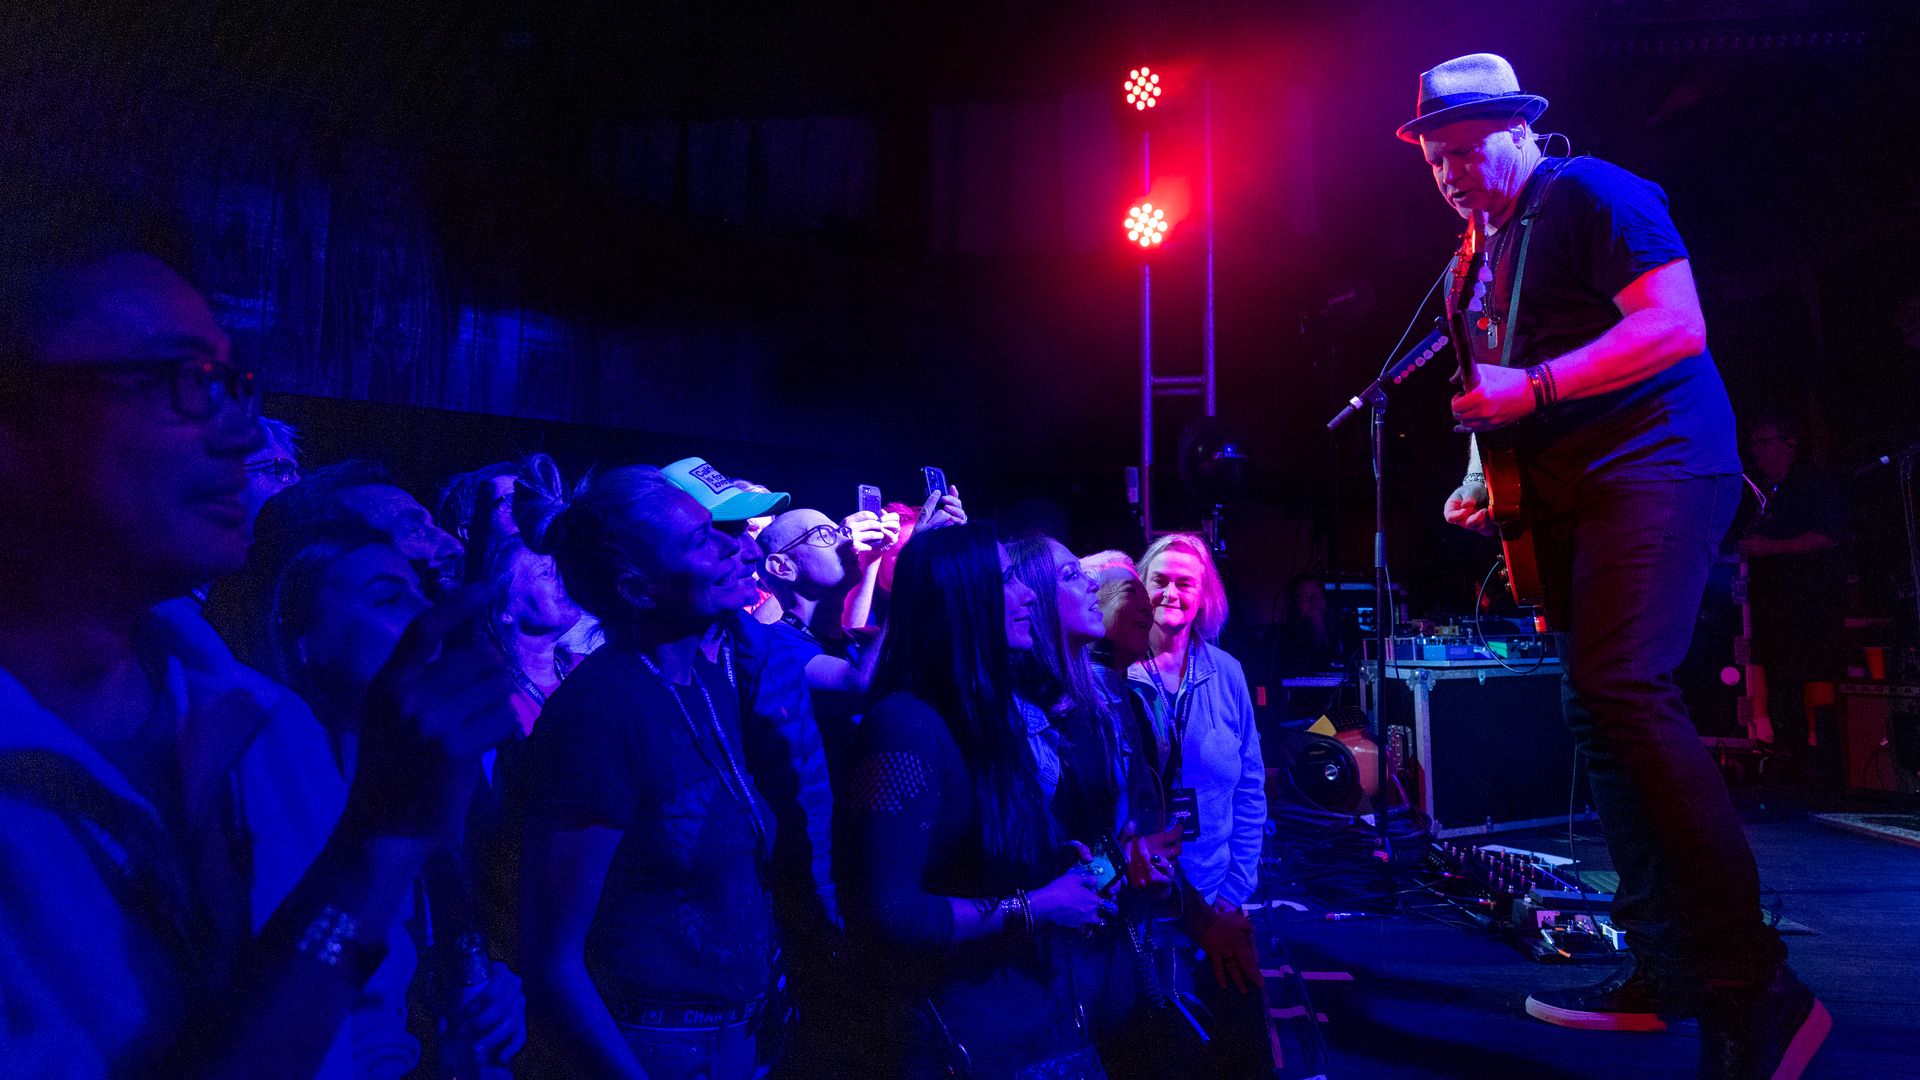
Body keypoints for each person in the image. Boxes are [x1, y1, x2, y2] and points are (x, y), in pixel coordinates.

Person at [0, 246, 518, 1076]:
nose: (243, 434)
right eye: (183, 380)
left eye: (236, 384)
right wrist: (374, 843)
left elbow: (355, 1034)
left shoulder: (261, 727)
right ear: (17, 425)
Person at [1409, 52, 1827, 1075]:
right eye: (1434, 158)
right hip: (1573, 496)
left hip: (1663, 465)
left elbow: (1676, 327)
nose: (1454, 172)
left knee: (1622, 688)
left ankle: (1756, 984)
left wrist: (1538, 392)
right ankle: (1665, 963)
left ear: (1521, 130)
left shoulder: (1593, 193)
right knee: (1595, 709)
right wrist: (1481, 478)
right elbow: (1491, 387)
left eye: (1468, 149)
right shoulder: (1473, 259)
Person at [516, 466, 779, 1079]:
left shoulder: (707, 683)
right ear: (637, 589)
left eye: (715, 529)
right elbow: (551, 959)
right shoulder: (600, 709)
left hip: (737, 1040)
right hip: (648, 1050)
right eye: (698, 541)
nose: (732, 546)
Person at [835, 523, 1109, 1079]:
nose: (1030, 594)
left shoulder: (993, 715)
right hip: (956, 1038)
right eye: (1009, 580)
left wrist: (1057, 867)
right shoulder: (904, 726)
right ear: (963, 599)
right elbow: (885, 913)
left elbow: (976, 865)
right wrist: (1039, 905)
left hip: (1027, 1022)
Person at [265, 519, 530, 1078]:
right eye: (388, 596)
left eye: (419, 588)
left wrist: (505, 982)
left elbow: (479, 921)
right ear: (302, 642)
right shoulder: (276, 786)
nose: (423, 609)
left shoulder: (449, 768)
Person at [1126, 534, 1268, 1076]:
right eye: (1158, 580)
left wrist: (1235, 890)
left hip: (1218, 895)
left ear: (1205, 595)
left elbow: (1250, 787)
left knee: (1235, 1056)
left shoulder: (1227, 672)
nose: (1171, 592)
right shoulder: (1117, 671)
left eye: (1186, 582)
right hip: (1144, 908)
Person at [1740, 416, 1846, 776]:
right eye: (1754, 444)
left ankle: (1826, 759)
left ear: (1789, 444)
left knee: (1815, 675)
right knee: (1780, 681)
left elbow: (1828, 535)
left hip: (1810, 602)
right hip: (1771, 605)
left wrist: (1771, 548)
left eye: (1765, 442)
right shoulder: (1758, 492)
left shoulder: (1812, 485)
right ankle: (1790, 755)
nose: (1758, 452)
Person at [758, 505, 898, 759]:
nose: (848, 540)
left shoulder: (859, 638)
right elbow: (857, 684)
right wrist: (912, 571)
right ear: (783, 567)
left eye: (841, 531)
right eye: (825, 534)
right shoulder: (775, 645)